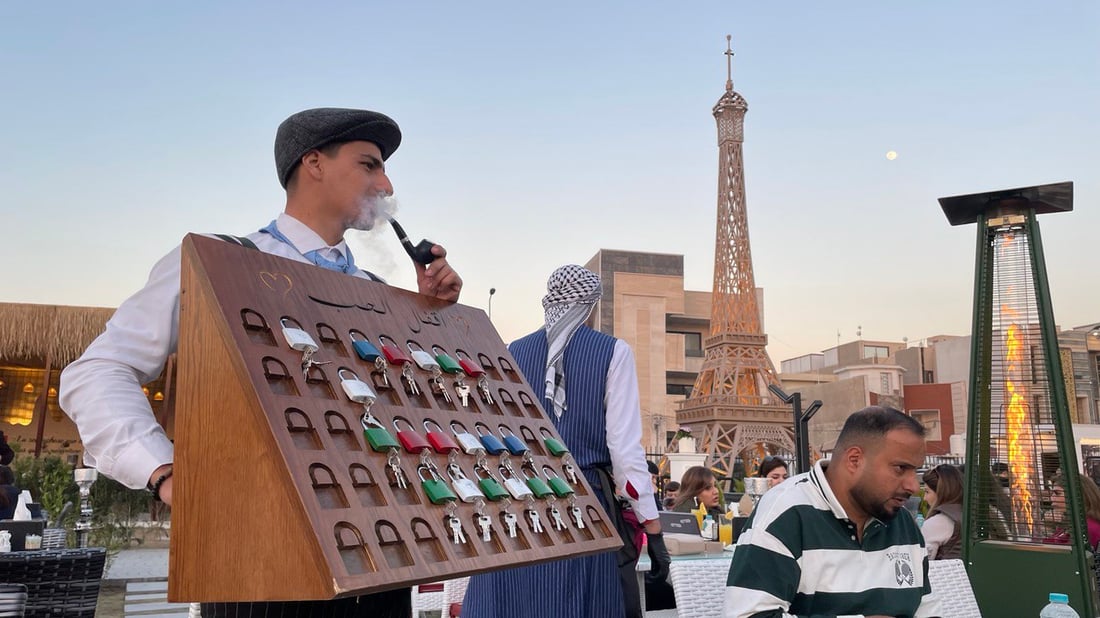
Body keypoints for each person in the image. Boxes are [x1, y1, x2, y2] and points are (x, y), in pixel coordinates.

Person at [59, 107, 462, 618]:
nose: (385, 183)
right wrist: (165, 472)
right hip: (259, 563)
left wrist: (429, 321)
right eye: (370, 164)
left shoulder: (378, 295)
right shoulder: (217, 261)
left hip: (379, 562)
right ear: (313, 163)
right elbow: (96, 372)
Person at [462, 264, 668, 618]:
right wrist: (652, 524)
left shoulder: (513, 350)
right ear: (590, 306)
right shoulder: (613, 352)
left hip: (517, 504)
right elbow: (625, 452)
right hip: (581, 508)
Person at [724, 406, 941, 618]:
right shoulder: (786, 513)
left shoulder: (901, 520)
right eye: (900, 468)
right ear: (854, 460)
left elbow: (926, 609)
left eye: (916, 471)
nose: (913, 486)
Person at [920, 464, 964, 559]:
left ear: (941, 492)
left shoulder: (937, 523)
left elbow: (922, 562)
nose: (924, 498)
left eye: (927, 492)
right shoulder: (970, 515)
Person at [1046, 471, 1100, 548]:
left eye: (1057, 493)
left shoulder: (1088, 527)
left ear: (1077, 495)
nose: (1051, 498)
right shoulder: (1071, 524)